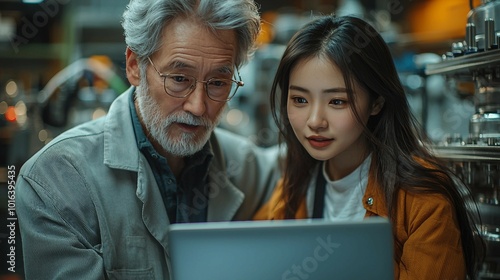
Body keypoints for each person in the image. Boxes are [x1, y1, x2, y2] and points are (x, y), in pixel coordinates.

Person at [16, 0, 281, 279]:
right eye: (179, 78)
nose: (198, 106)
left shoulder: (248, 168)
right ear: (134, 66)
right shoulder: (56, 181)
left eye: (217, 83)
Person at [254, 14, 484, 279]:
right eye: (299, 100)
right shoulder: (296, 184)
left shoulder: (424, 200)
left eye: (337, 102)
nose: (315, 121)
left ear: (376, 102)